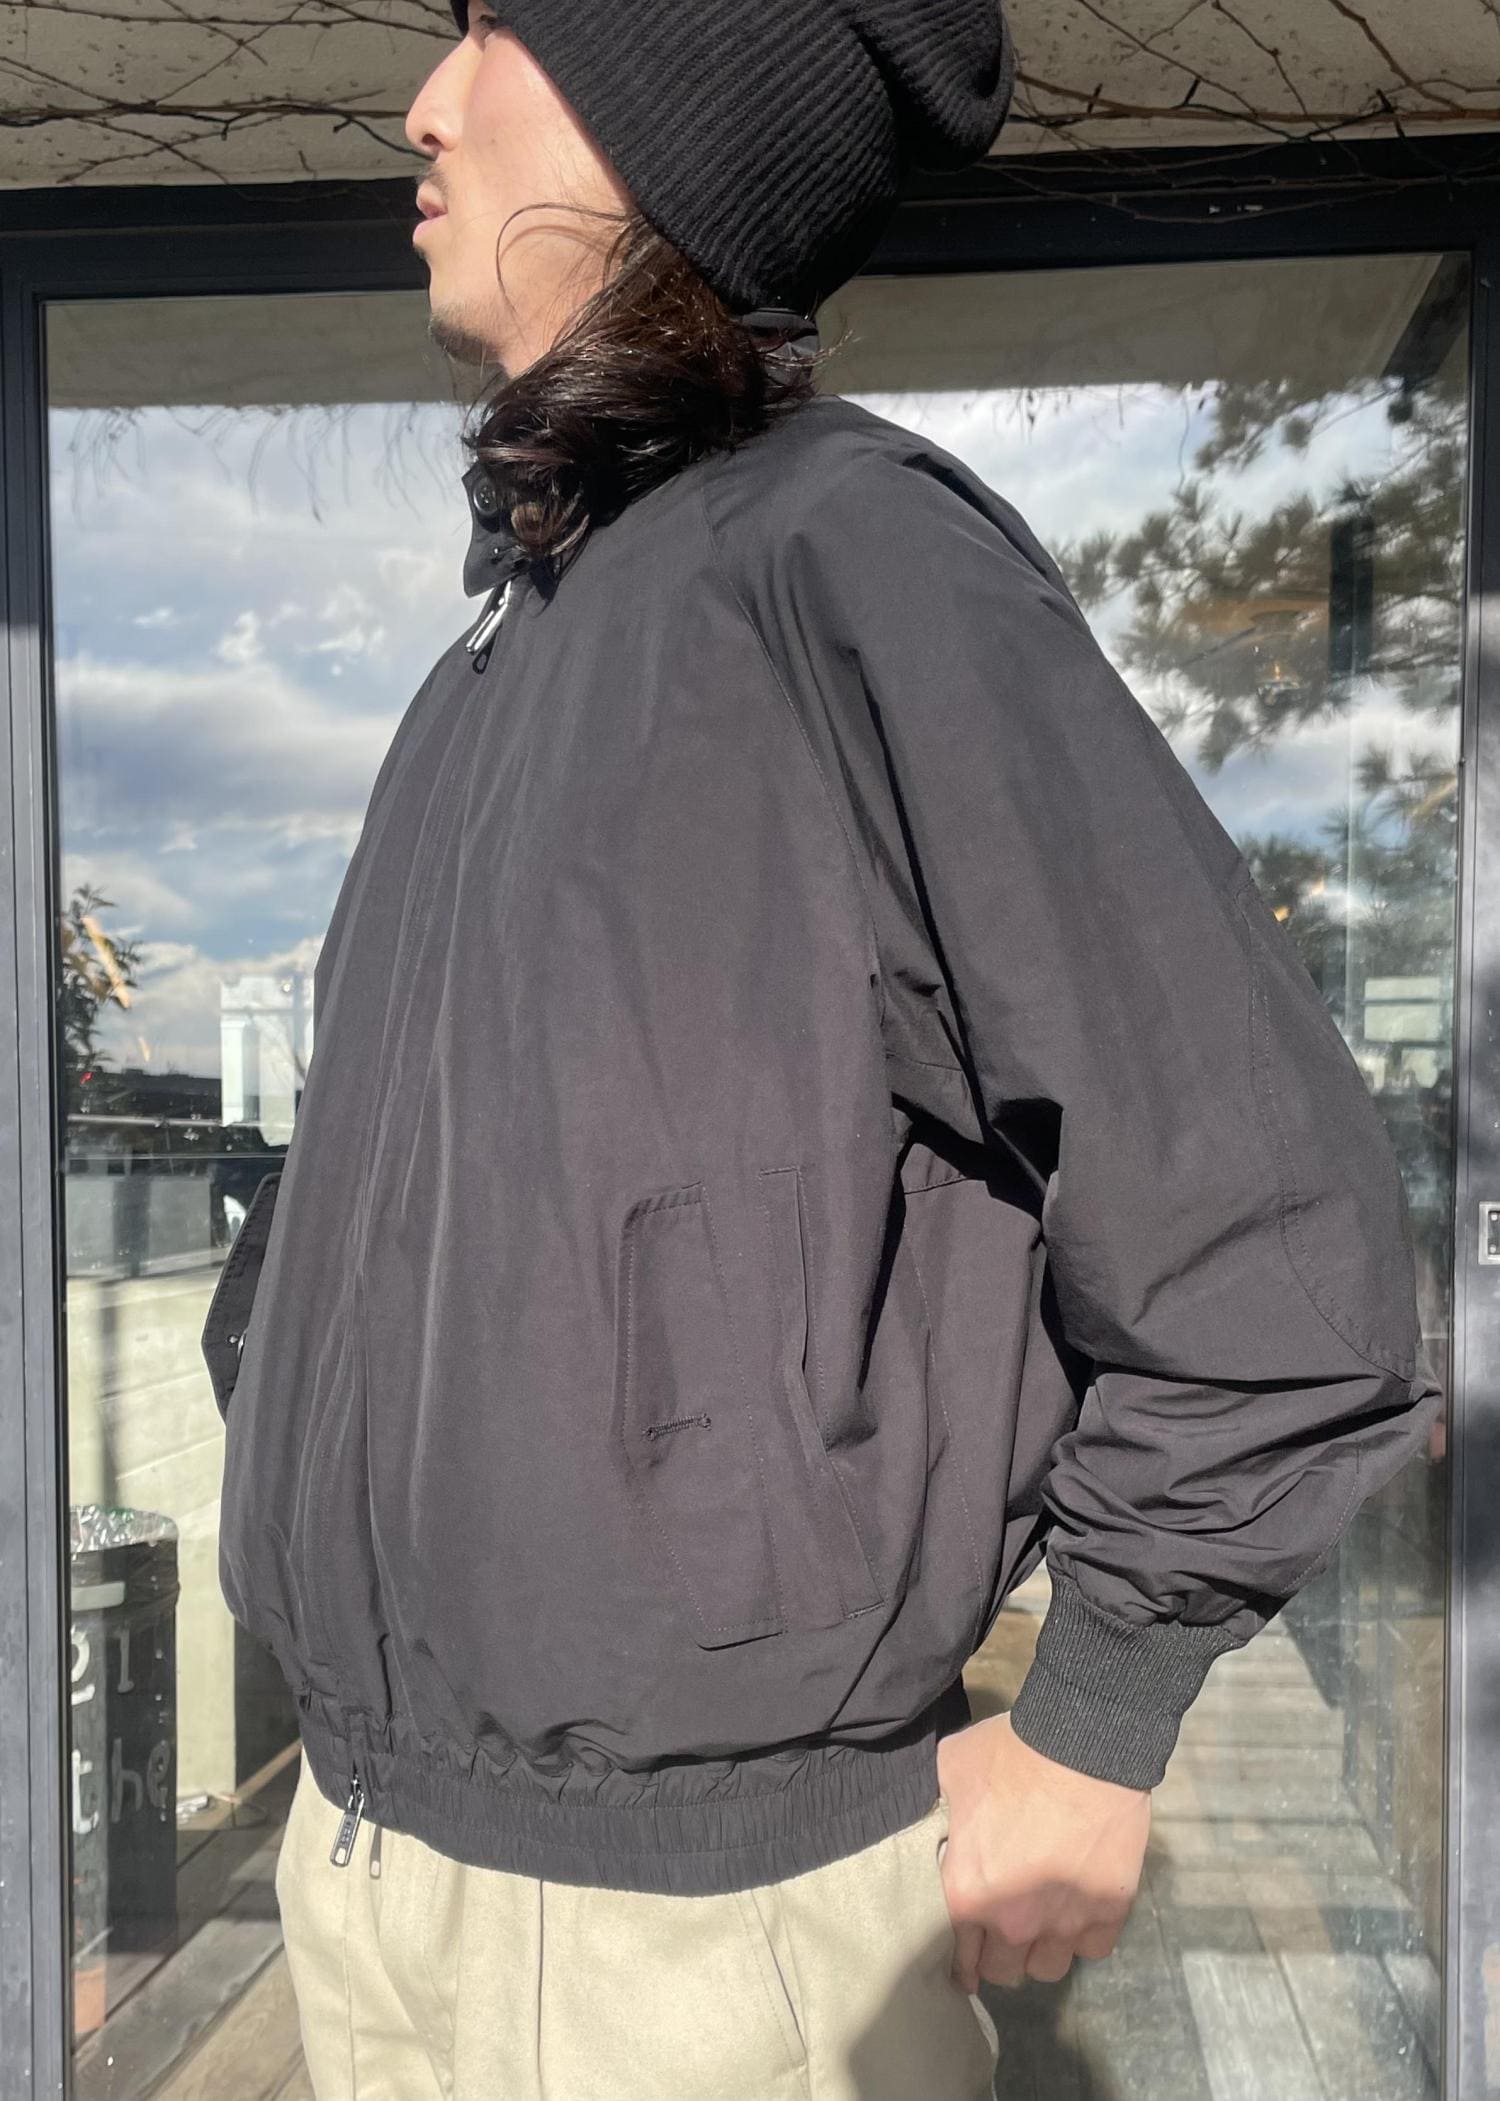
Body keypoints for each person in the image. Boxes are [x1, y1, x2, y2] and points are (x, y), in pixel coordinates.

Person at [205, 2, 1444, 2096]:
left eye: (496, 28)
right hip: (371, 1863)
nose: (424, 101)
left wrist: (1096, 1722)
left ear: (669, 108)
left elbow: (1271, 1248)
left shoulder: (846, 562)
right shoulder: (497, 661)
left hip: (688, 1951)